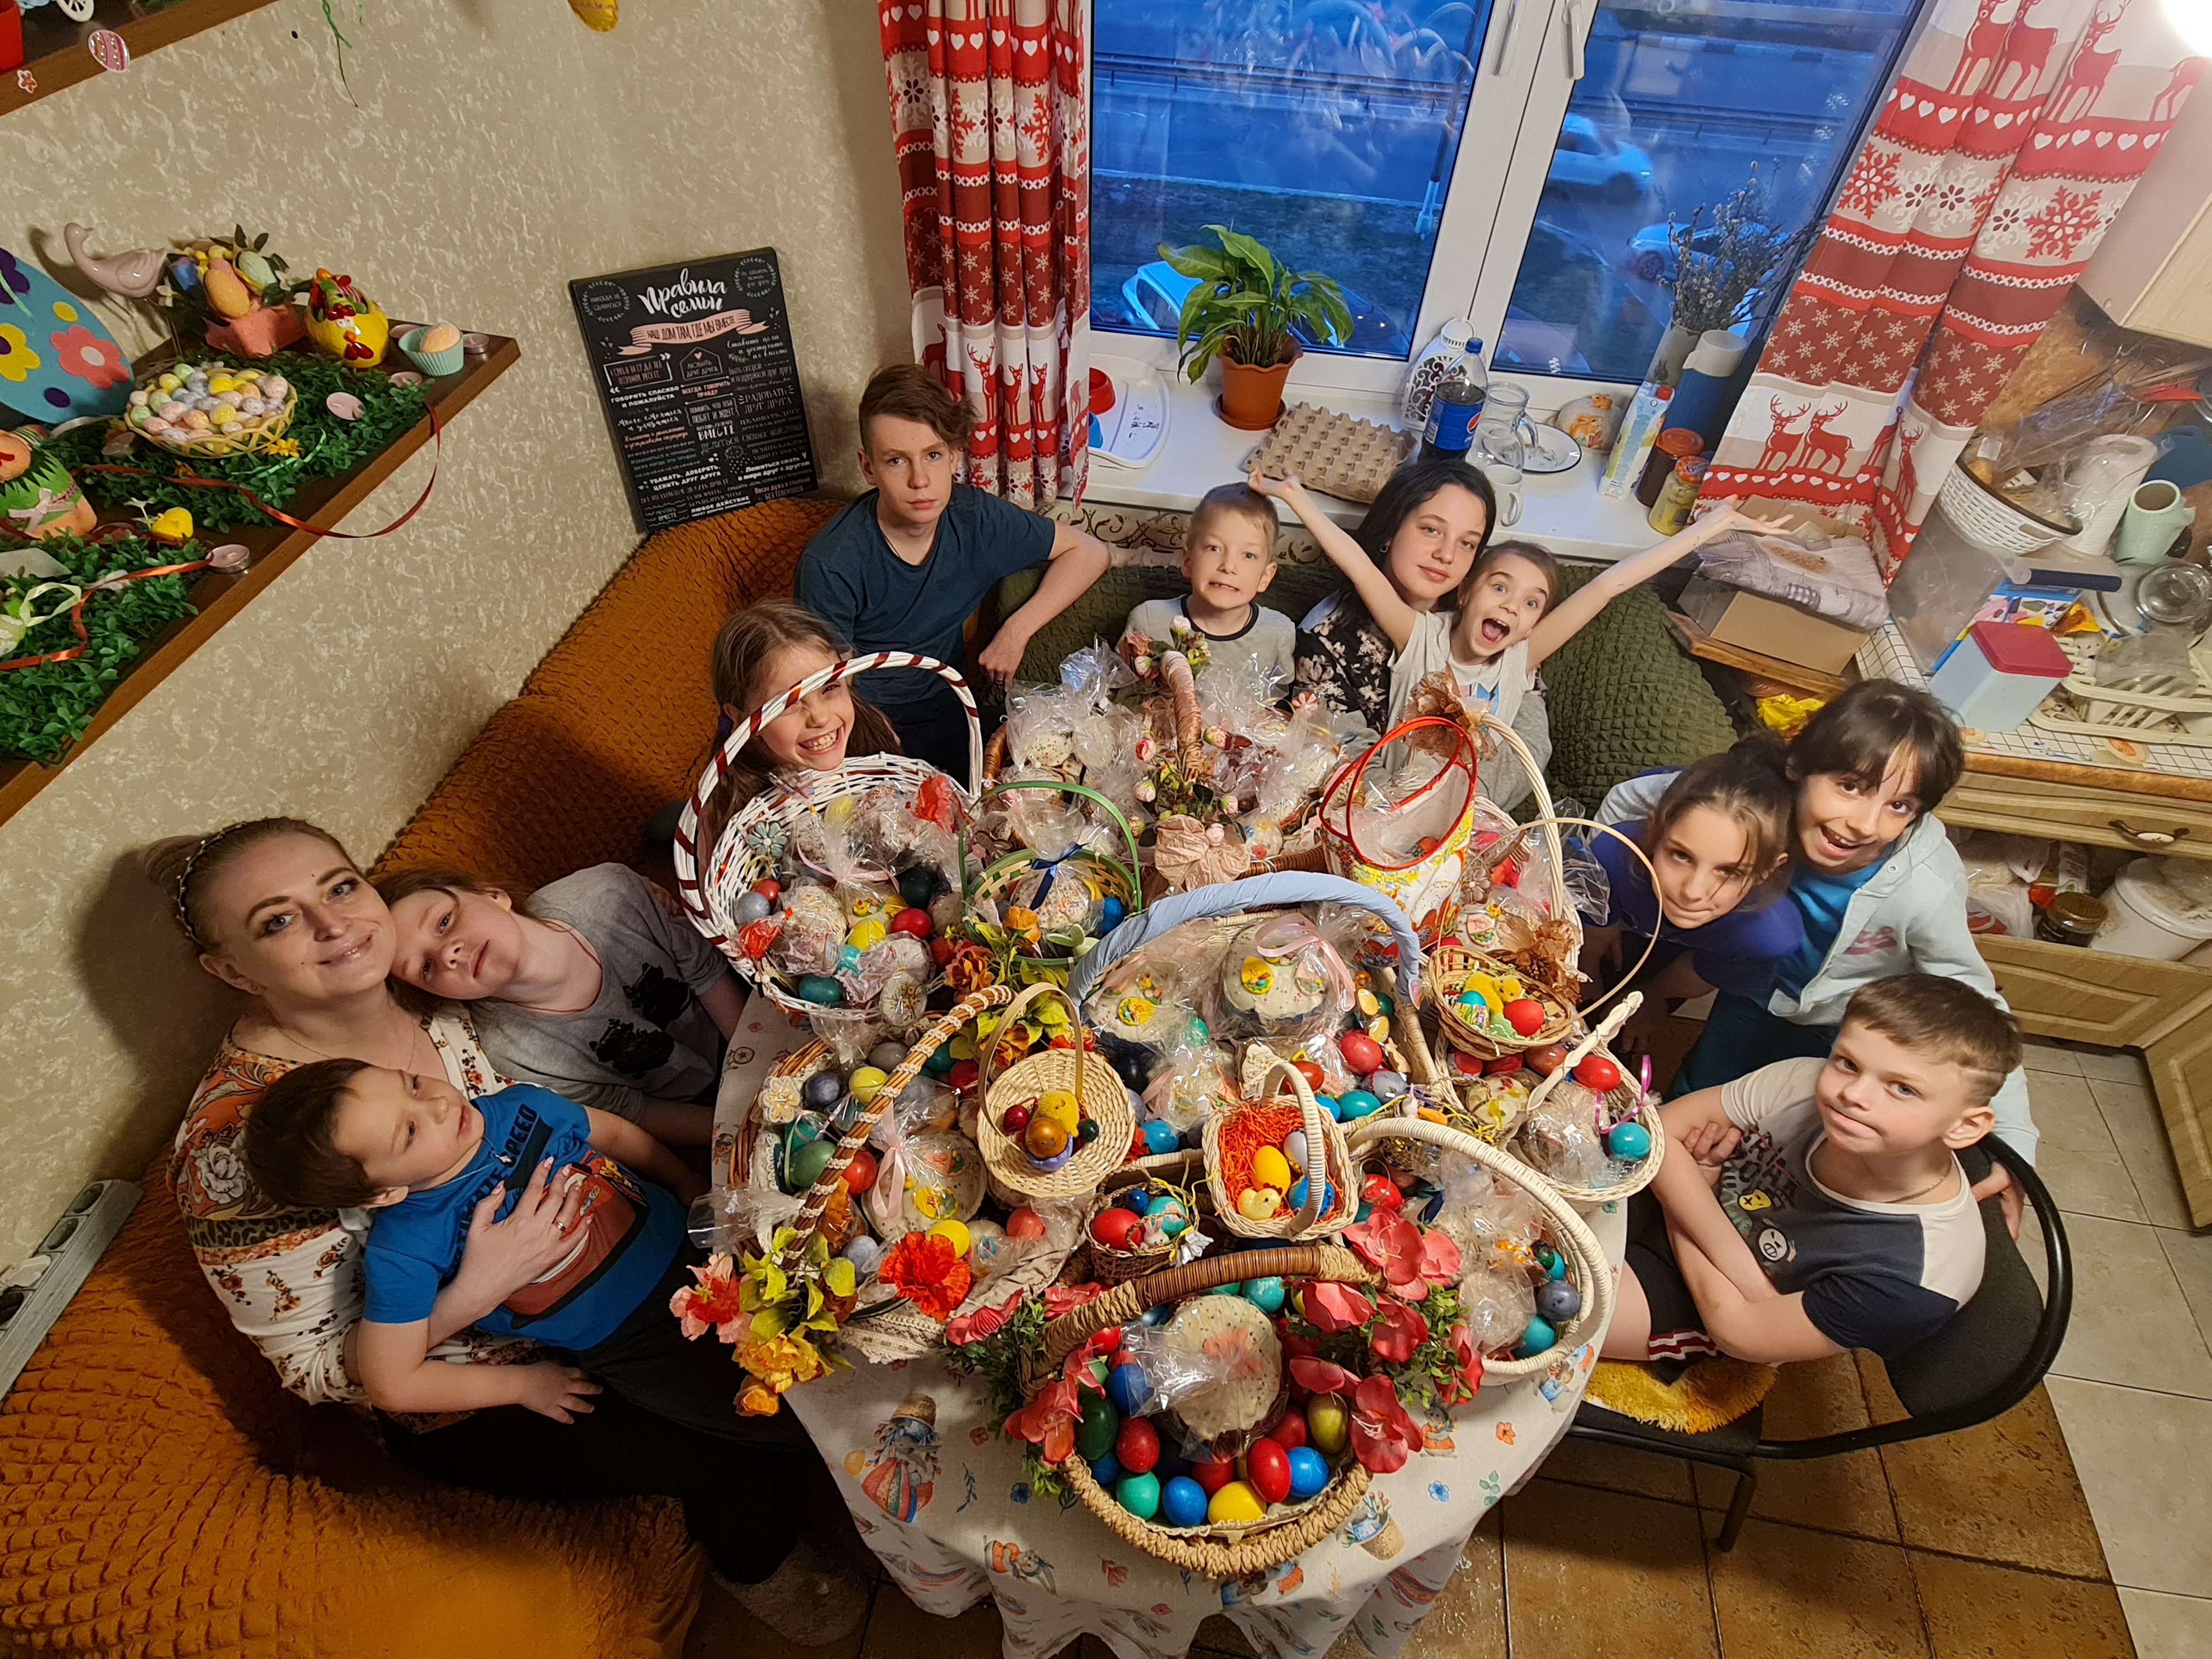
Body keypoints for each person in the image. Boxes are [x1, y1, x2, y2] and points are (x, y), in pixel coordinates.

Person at [154, 819, 866, 1644]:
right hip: (473, 1382)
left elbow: (580, 1099)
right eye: (277, 920)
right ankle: (762, 1563)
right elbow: (327, 1372)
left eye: (340, 887)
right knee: (717, 1450)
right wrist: (481, 1287)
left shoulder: (433, 994)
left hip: (633, 1248)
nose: (332, 924)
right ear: (231, 970)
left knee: (815, 1322)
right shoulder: (239, 1146)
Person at [1598, 679, 2040, 1170]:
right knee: (1700, 1103)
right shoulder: (1755, 808)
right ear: (1798, 768)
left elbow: (1972, 1000)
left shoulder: (1923, 886)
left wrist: (2015, 1143)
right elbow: (1631, 801)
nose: (1865, 824)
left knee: (1796, 1137)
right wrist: (1603, 899)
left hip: (1842, 1020)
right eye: (1850, 787)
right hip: (1751, 994)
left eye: (1899, 806)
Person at [243, 1059, 742, 1446]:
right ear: (383, 1193)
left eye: (411, 1084)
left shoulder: (522, 1104)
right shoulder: (403, 1248)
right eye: (410, 1132)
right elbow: (390, 1382)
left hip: (696, 1245)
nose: (437, 1106)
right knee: (749, 1409)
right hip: (635, 1344)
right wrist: (522, 1386)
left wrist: (684, 1180)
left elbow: (612, 1133)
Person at [1262, 466, 1781, 807]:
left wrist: (1712, 527)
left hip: (1472, 819)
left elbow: (1608, 586)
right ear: (1469, 591)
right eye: (1431, 529)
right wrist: (1295, 498)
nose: (1512, 606)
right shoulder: (1419, 638)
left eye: (1532, 603)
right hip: (1388, 806)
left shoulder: (1519, 658)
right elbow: (1361, 570)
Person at [1602, 974, 2018, 1367]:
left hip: (1697, 1294)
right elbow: (1656, 1134)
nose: (1852, 1094)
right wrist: (1729, 1248)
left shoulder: (1919, 1275)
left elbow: (1738, 1332)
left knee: (1568, 1318)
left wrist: (1689, 1187)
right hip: (1719, 1251)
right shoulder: (1802, 1081)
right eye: (1848, 1063)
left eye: (1903, 1089)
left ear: (1965, 1127)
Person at [794, 363, 1113, 777]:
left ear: (953, 457)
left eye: (932, 455)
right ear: (868, 467)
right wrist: (869, 740)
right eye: (896, 461)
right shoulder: (831, 563)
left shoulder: (976, 519)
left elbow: (1090, 552)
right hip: (869, 727)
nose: (920, 480)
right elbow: (827, 686)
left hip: (956, 709)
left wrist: (1015, 631)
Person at [379, 860, 739, 1148]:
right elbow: (634, 1111)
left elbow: (707, 972)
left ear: (492, 894)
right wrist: (739, 1126)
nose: (449, 954)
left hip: (744, 1025)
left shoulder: (609, 893)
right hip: (701, 1107)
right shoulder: (511, 1052)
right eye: (426, 967)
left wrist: (755, 1066)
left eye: (445, 922)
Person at [1583, 744, 1802, 1054]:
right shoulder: (1612, 855)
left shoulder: (1768, 936)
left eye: (1729, 872)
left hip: (1686, 957)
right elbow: (1593, 931)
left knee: (1622, 1039)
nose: (1693, 892)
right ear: (1653, 835)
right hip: (1627, 918)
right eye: (1681, 856)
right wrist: (1588, 967)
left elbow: (1702, 974)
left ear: (1765, 873)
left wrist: (1653, 996)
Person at [692, 599, 901, 861]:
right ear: (742, 719)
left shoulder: (873, 731)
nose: (820, 718)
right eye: (789, 704)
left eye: (830, 688)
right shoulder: (725, 810)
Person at [1119, 480, 1296, 685]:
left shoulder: (1278, 633)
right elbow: (1118, 692)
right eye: (1214, 548)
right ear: (1188, 562)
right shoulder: (1149, 621)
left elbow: (1281, 701)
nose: (1228, 566)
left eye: (1248, 555)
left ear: (1265, 576)